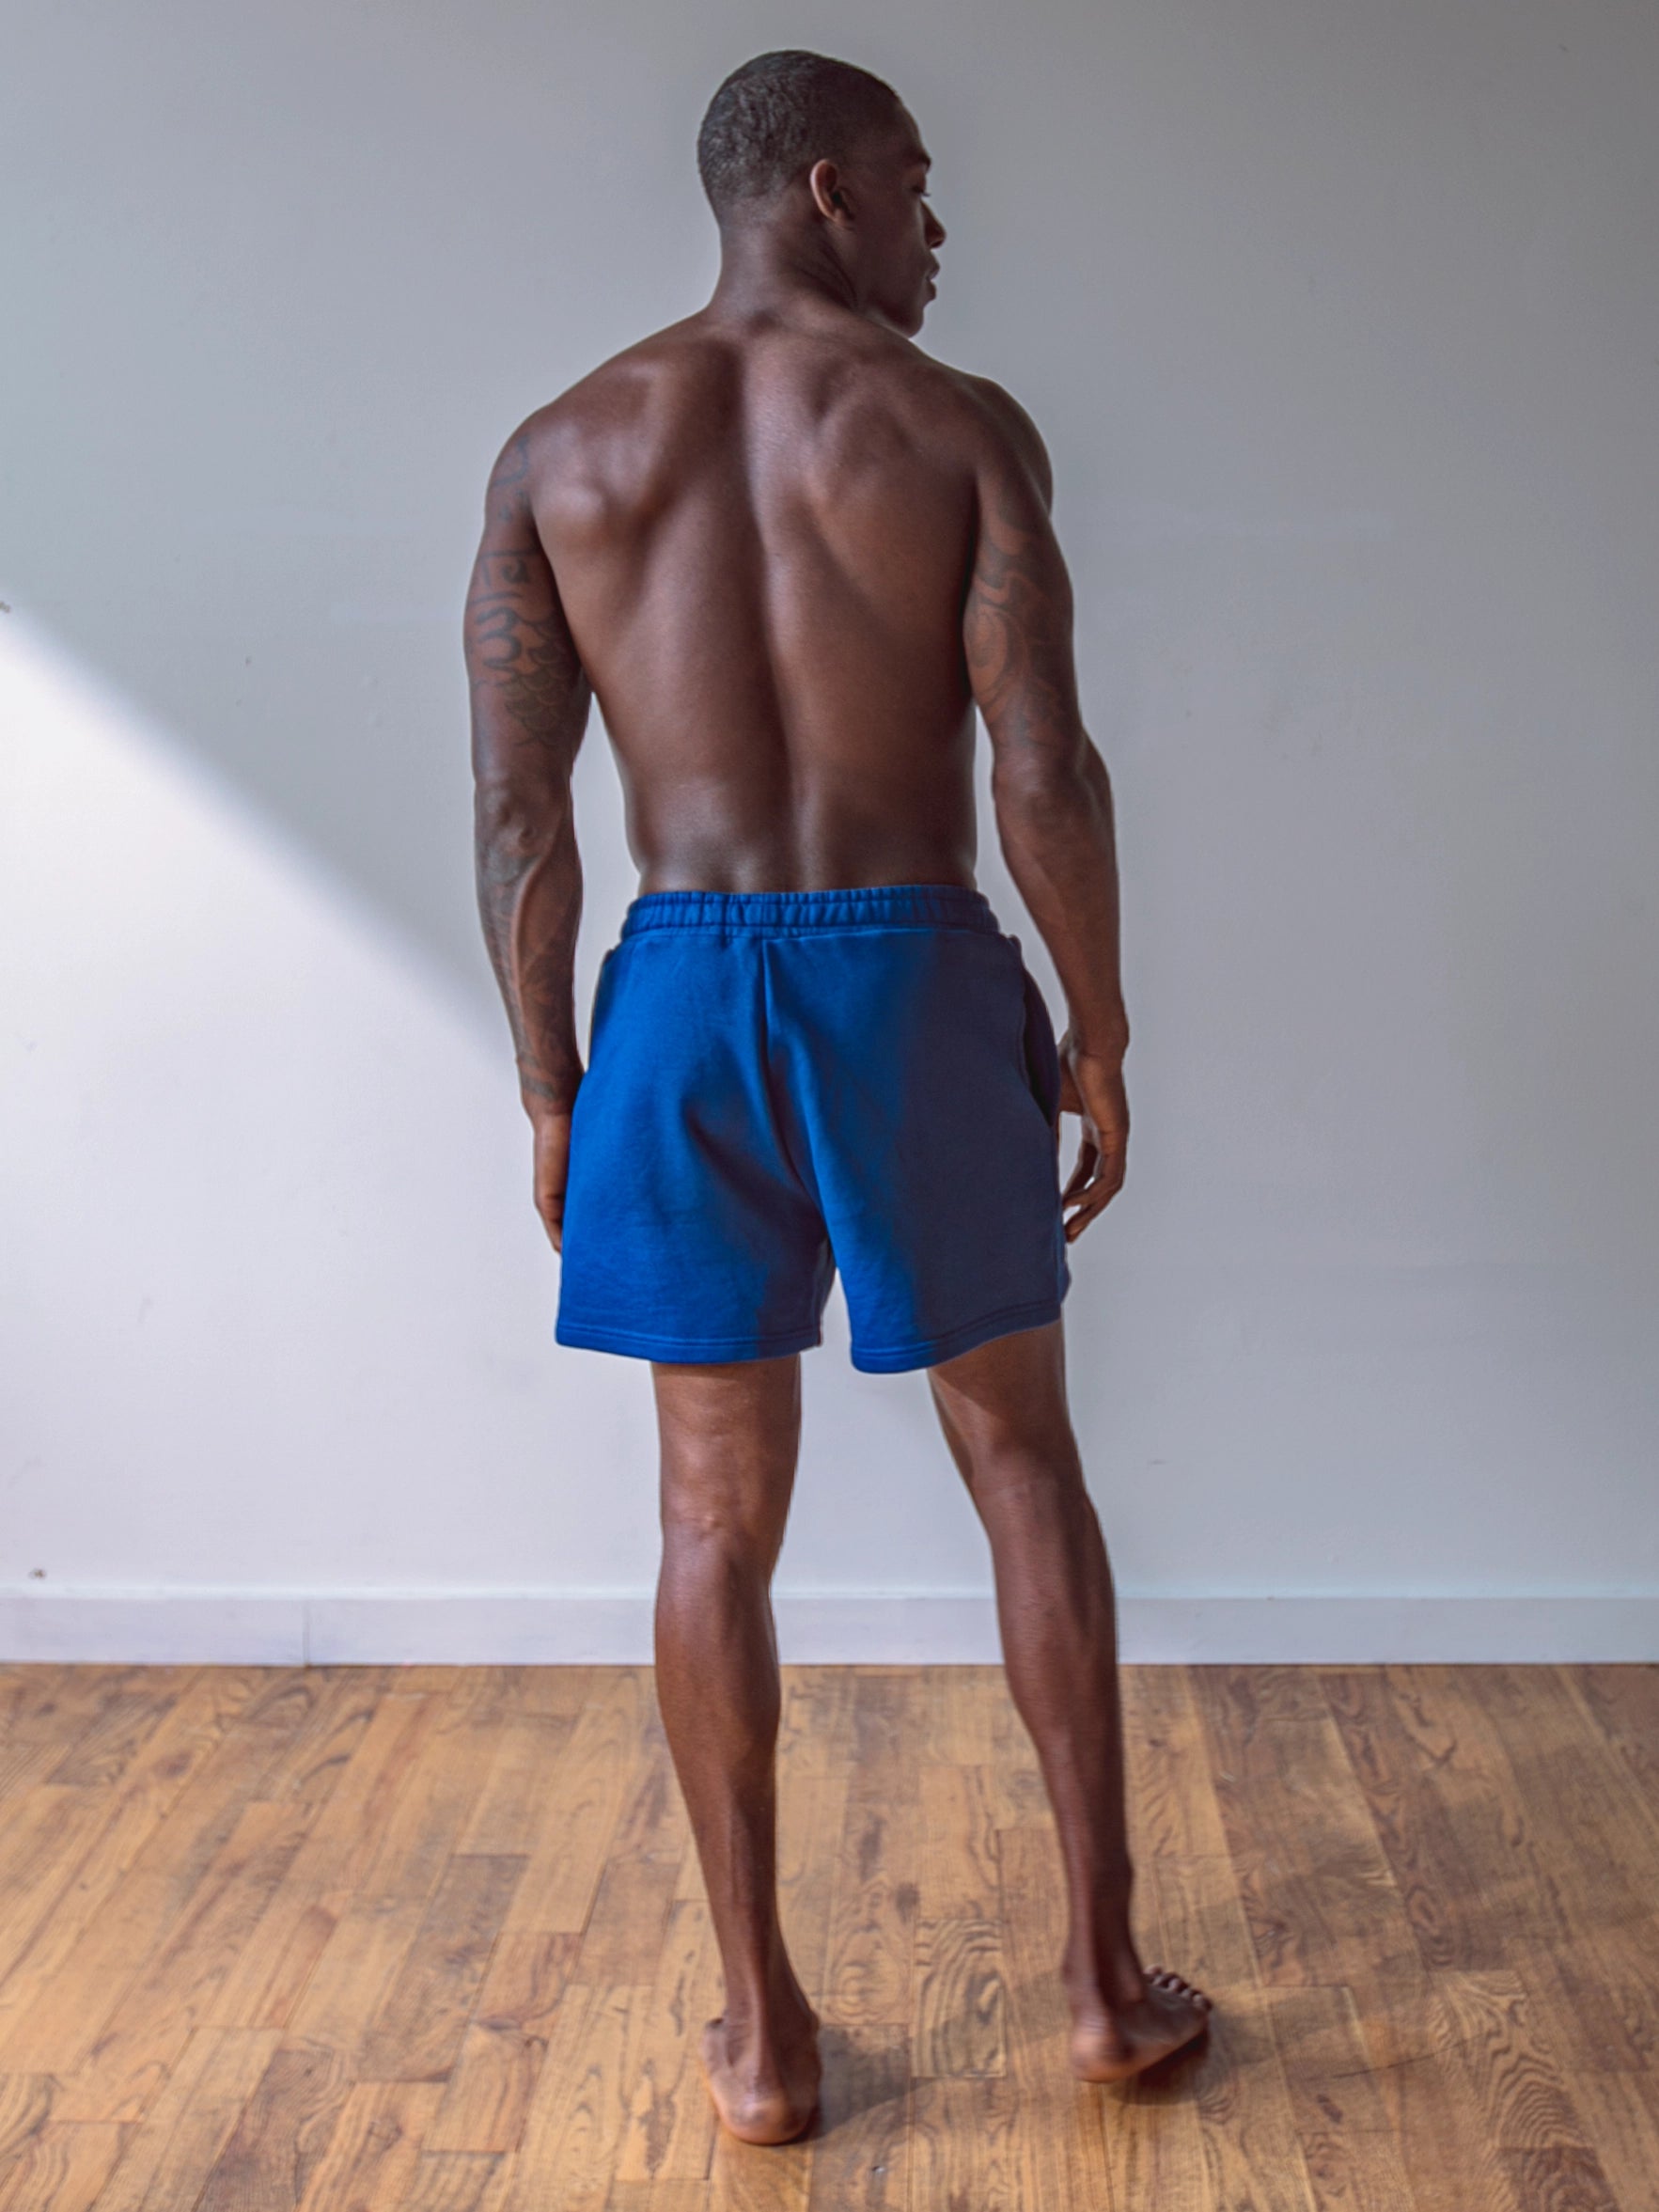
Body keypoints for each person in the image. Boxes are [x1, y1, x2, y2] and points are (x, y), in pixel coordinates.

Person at [464, 46, 1210, 2147]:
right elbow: (1041, 762)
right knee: (1022, 1464)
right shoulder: (957, 429)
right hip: (906, 969)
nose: (935, 227)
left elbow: (519, 813)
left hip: (679, 994)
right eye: (912, 182)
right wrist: (1100, 1027)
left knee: (708, 1517)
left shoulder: (558, 450)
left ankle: (764, 2036)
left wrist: (552, 1086)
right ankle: (1103, 1990)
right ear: (822, 189)